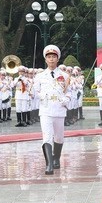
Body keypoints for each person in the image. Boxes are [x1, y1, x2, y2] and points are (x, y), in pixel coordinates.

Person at [33, 45, 71, 175]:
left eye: (54, 57)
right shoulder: (40, 76)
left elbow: (69, 92)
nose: (51, 59)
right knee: (47, 136)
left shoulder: (64, 76)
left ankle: (56, 158)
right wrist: (41, 96)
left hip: (59, 109)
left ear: (57, 59)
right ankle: (49, 164)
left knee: (59, 137)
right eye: (49, 57)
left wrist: (66, 99)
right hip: (46, 109)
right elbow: (35, 92)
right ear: (45, 59)